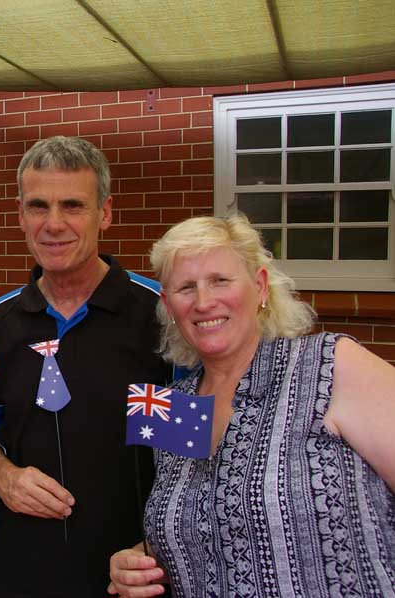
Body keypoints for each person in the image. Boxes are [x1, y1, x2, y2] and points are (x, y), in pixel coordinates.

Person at [108, 215, 395, 597]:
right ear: (168, 305)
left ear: (259, 286)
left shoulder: (330, 365)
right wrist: (137, 561)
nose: (204, 302)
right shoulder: (173, 407)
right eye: (186, 287)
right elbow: (206, 529)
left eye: (220, 280)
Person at [0, 136, 170, 597]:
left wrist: (160, 546)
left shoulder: (159, 315)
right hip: (22, 573)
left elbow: (196, 450)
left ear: (104, 213)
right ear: (21, 215)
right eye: (39, 206)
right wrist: (3, 476)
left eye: (73, 205)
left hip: (131, 576)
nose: (54, 224)